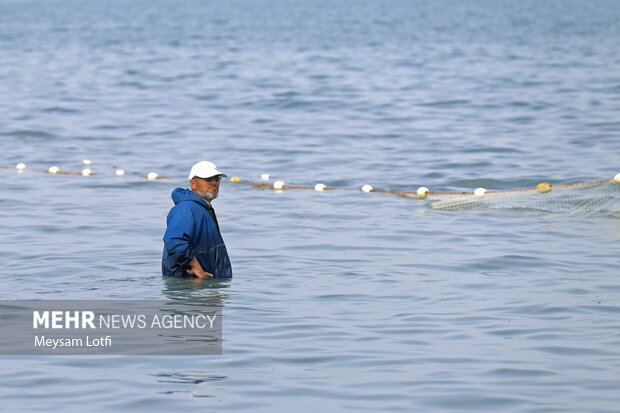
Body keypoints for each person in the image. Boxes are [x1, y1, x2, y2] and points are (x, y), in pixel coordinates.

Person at [162, 161, 233, 279]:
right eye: (208, 178)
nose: (214, 182)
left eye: (217, 178)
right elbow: (174, 241)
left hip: (205, 286)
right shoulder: (186, 208)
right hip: (190, 286)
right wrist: (196, 267)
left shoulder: (203, 209)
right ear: (193, 183)